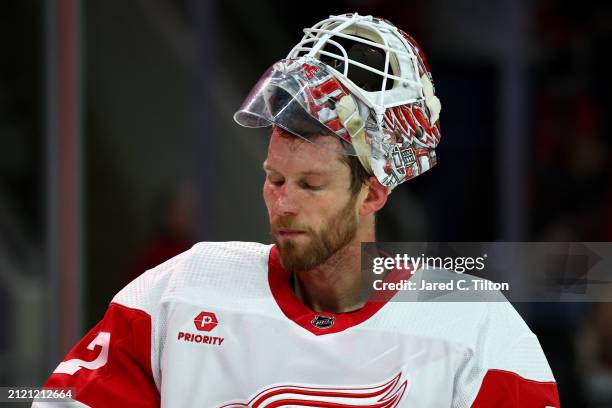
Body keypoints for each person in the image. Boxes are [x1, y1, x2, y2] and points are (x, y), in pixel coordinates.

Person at [35, 13, 560, 407]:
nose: (282, 202)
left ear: (373, 194)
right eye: (274, 178)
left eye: (310, 184)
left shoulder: (474, 328)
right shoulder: (179, 292)